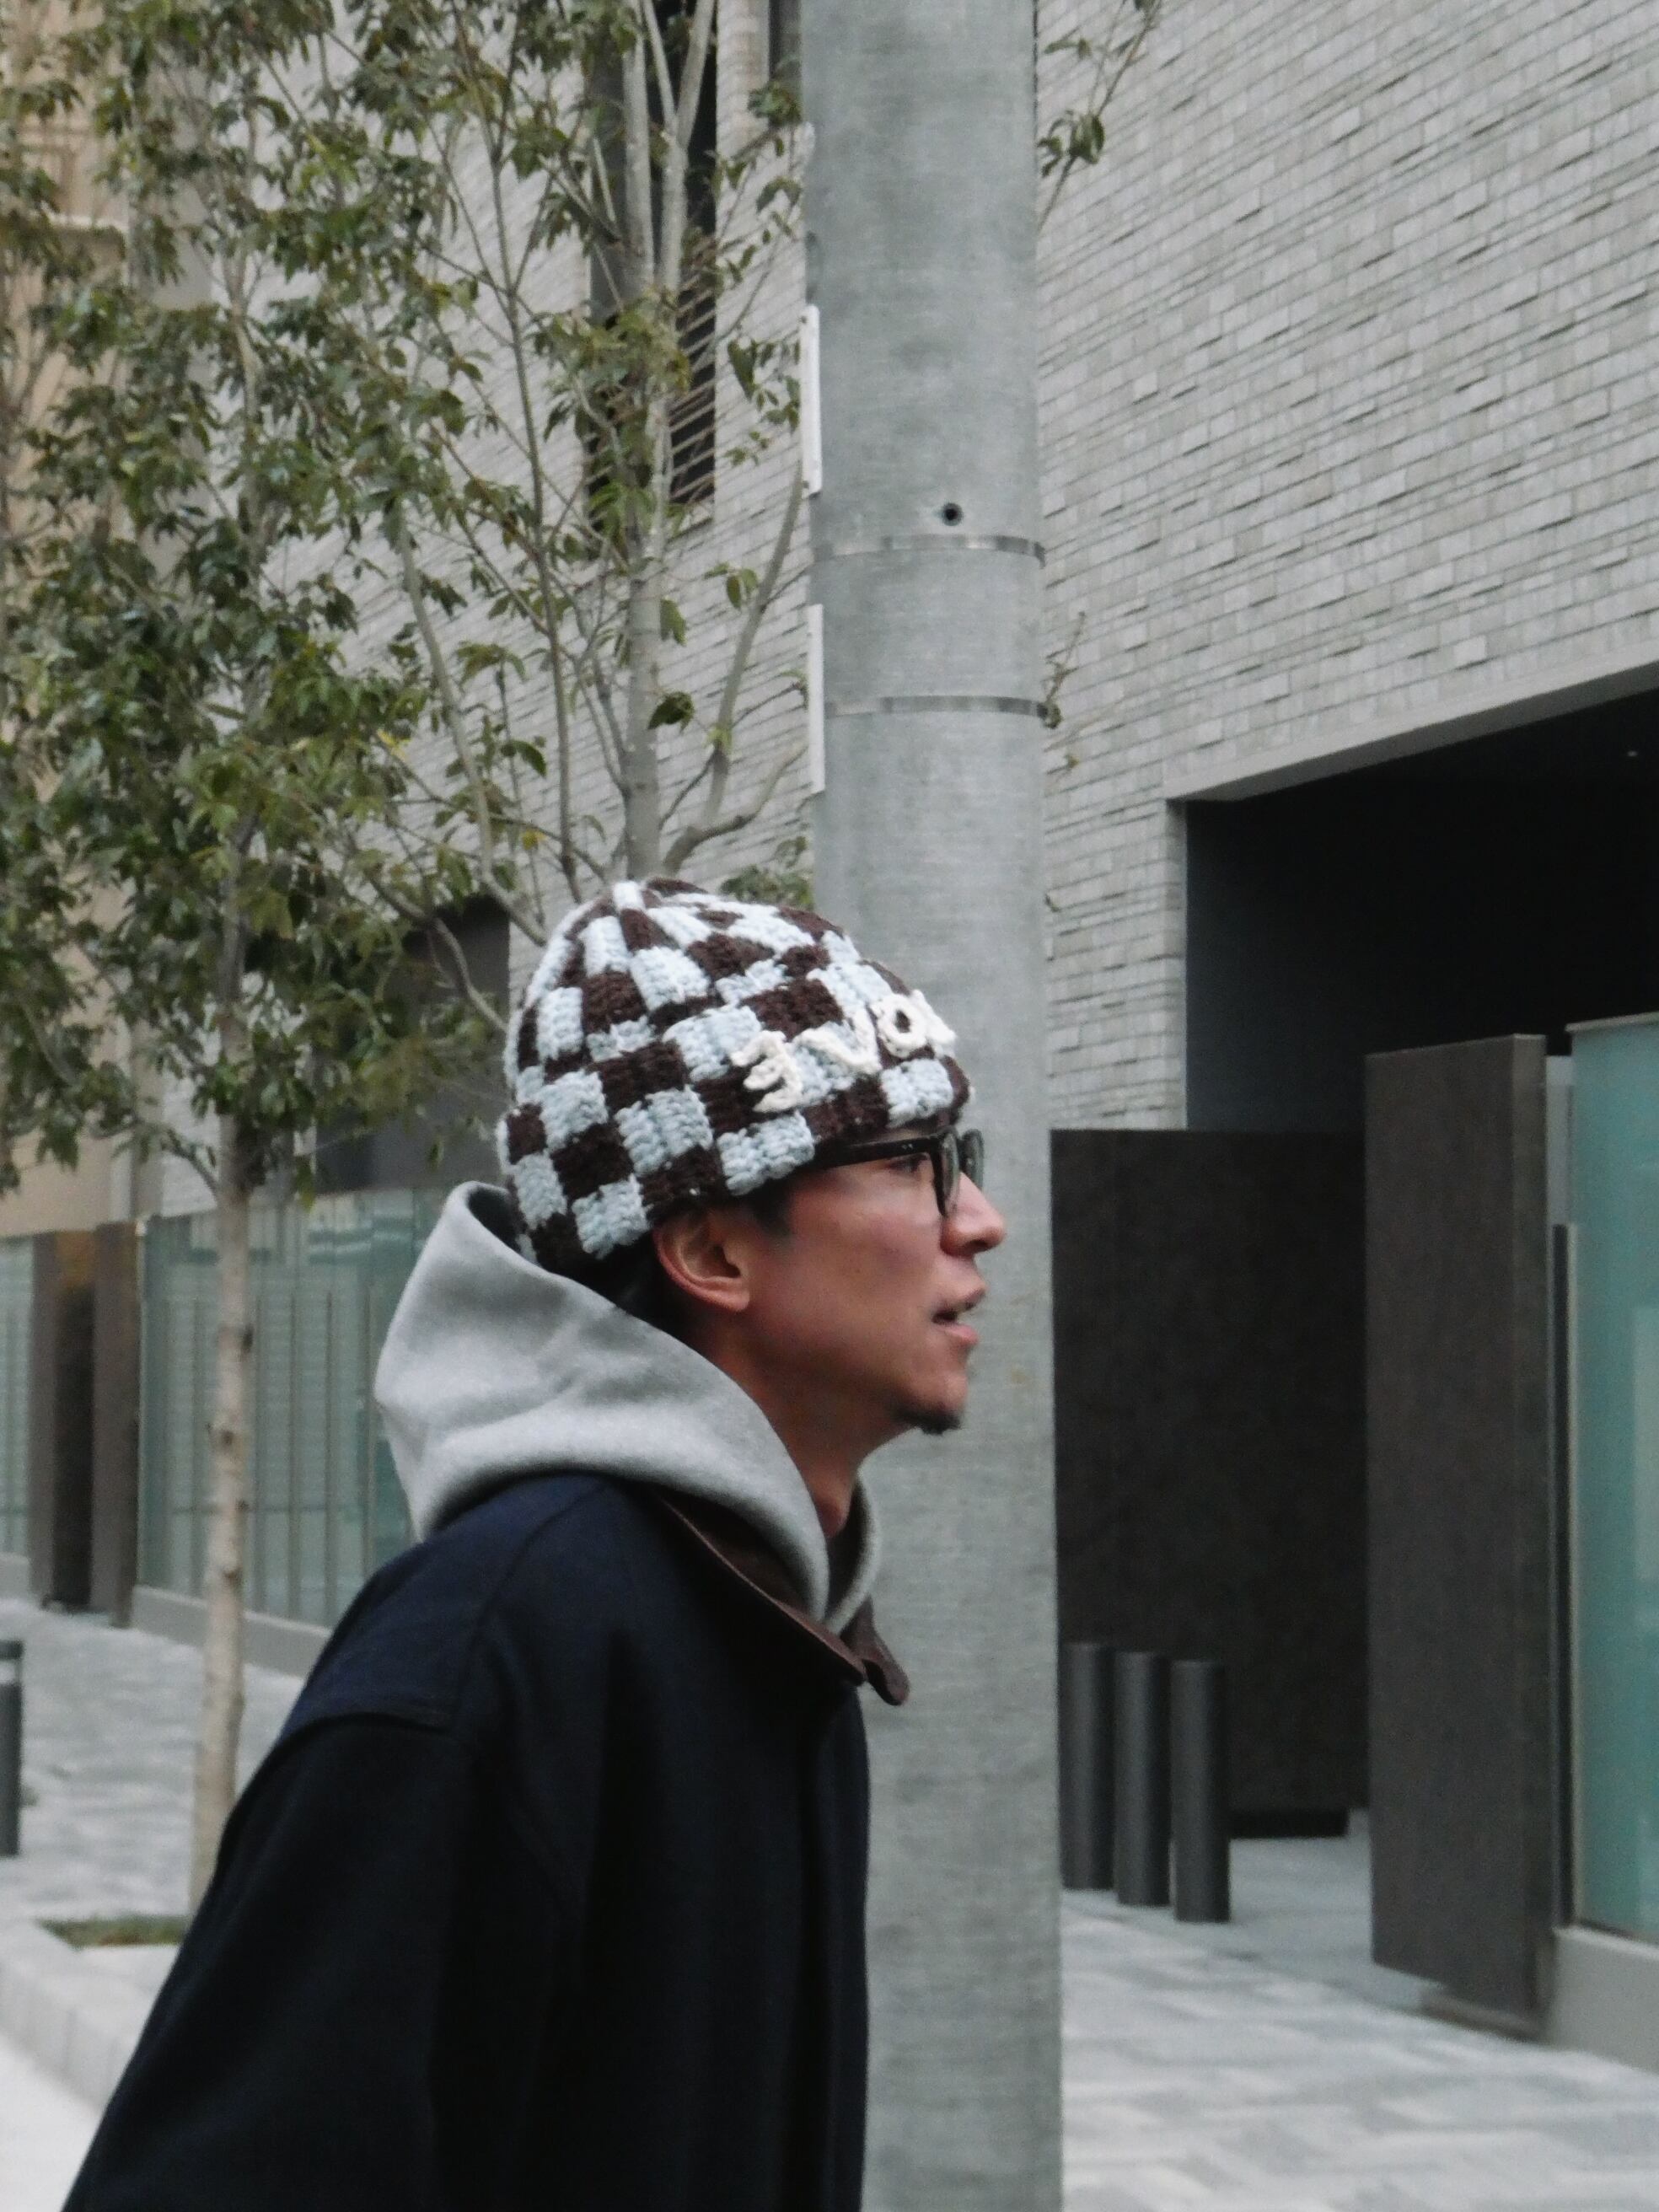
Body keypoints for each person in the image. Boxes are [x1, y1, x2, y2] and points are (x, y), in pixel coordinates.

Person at [63, 878, 1005, 2212]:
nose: (977, 1220)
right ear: (710, 1251)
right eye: (909, 1162)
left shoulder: (768, 1614)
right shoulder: (497, 1649)